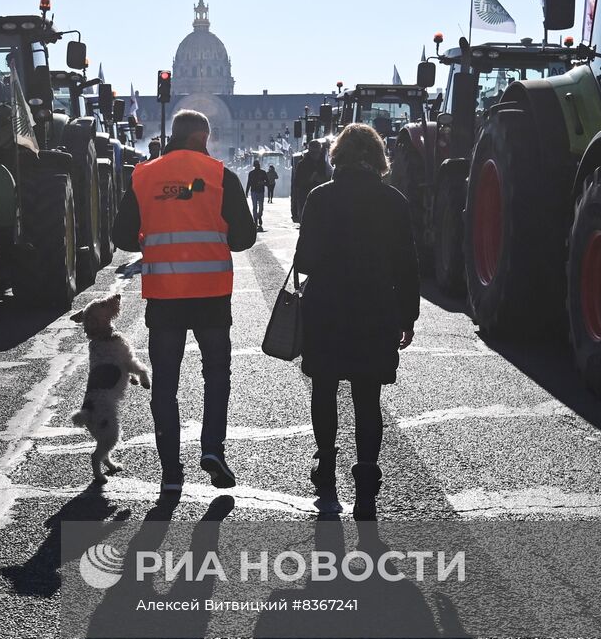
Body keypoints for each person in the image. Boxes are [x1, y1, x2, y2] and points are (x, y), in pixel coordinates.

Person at [113, 110, 257, 494]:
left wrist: (154, 231)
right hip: (211, 295)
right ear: (201, 138)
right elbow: (244, 238)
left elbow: (123, 236)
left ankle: (170, 469)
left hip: (165, 296)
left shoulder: (144, 176)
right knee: (216, 376)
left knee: (165, 384)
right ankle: (212, 448)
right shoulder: (220, 175)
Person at [291, 123, 419, 520]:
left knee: (324, 388)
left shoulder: (320, 198)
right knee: (367, 397)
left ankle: (326, 465)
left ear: (338, 156)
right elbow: (407, 266)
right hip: (376, 308)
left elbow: (305, 261)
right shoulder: (395, 201)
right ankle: (366, 476)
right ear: (379, 158)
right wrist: (408, 316)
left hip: (327, 307)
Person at [290, 140, 331, 223]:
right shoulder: (302, 164)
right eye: (314, 152)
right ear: (310, 151)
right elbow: (297, 183)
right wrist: (310, 179)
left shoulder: (324, 164)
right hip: (306, 197)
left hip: (321, 199)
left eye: (318, 152)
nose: (316, 155)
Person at [246, 160, 267, 231]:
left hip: (260, 191)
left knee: (261, 207)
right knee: (255, 206)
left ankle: (259, 216)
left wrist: (263, 183)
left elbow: (267, 182)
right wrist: (246, 192)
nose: (257, 166)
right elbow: (248, 183)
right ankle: (255, 219)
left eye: (258, 165)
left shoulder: (263, 173)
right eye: (256, 165)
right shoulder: (251, 173)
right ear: (254, 166)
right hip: (254, 191)